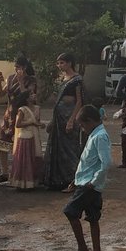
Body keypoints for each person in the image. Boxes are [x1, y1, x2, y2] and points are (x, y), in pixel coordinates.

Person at [63, 104, 111, 251]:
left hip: (89, 185)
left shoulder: (99, 136)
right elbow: (88, 163)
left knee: (70, 212)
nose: (82, 129)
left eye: (83, 125)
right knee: (92, 217)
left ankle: (82, 249)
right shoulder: (95, 134)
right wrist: (76, 181)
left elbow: (106, 163)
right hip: (87, 183)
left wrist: (93, 181)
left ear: (90, 121)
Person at [41, 53, 84, 190]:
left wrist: (71, 120)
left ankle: (74, 181)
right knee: (58, 149)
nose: (60, 66)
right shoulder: (62, 79)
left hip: (69, 117)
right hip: (59, 118)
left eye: (62, 63)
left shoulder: (77, 79)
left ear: (70, 63)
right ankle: (58, 180)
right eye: (58, 63)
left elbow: (79, 101)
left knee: (70, 150)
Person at [0, 55, 37, 185]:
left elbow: (27, 96)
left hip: (22, 114)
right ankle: (4, 172)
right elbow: (1, 94)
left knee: (20, 146)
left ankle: (19, 173)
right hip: (9, 114)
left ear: (25, 68)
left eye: (19, 67)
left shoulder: (31, 80)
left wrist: (22, 81)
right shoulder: (11, 78)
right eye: (15, 67)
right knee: (2, 142)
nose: (17, 69)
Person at [8, 101, 42, 190]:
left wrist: (40, 125)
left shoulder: (37, 108)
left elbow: (37, 122)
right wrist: (31, 123)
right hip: (24, 138)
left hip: (34, 137)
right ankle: (21, 183)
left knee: (32, 158)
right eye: (31, 94)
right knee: (24, 159)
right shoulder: (22, 110)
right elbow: (18, 124)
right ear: (26, 98)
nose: (34, 95)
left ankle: (31, 183)